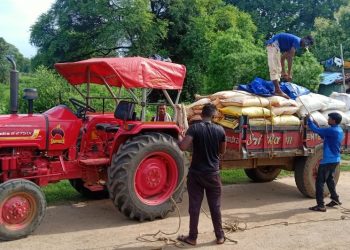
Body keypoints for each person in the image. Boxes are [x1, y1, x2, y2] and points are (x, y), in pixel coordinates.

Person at [177, 103, 227, 245]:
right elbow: (222, 151)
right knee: (215, 206)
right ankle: (220, 236)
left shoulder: (194, 128)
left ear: (201, 114)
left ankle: (192, 238)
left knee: (194, 207)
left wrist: (179, 137)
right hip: (213, 174)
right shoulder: (220, 130)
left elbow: (183, 147)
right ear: (213, 115)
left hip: (196, 175)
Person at [307, 112, 343, 212]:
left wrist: (309, 120)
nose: (328, 120)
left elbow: (315, 130)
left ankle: (321, 205)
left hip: (328, 160)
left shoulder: (331, 130)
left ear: (334, 121)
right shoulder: (338, 130)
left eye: (329, 118)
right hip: (335, 160)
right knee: (329, 180)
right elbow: (324, 136)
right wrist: (317, 127)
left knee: (319, 182)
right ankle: (335, 199)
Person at [266, 33, 314, 98]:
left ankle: (277, 89)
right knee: (274, 68)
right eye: (306, 44)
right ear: (304, 40)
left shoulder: (297, 44)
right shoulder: (297, 41)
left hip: (276, 46)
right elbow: (290, 58)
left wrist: (283, 72)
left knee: (278, 69)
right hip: (273, 45)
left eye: (306, 46)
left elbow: (282, 58)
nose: (304, 46)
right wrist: (289, 74)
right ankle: (278, 90)